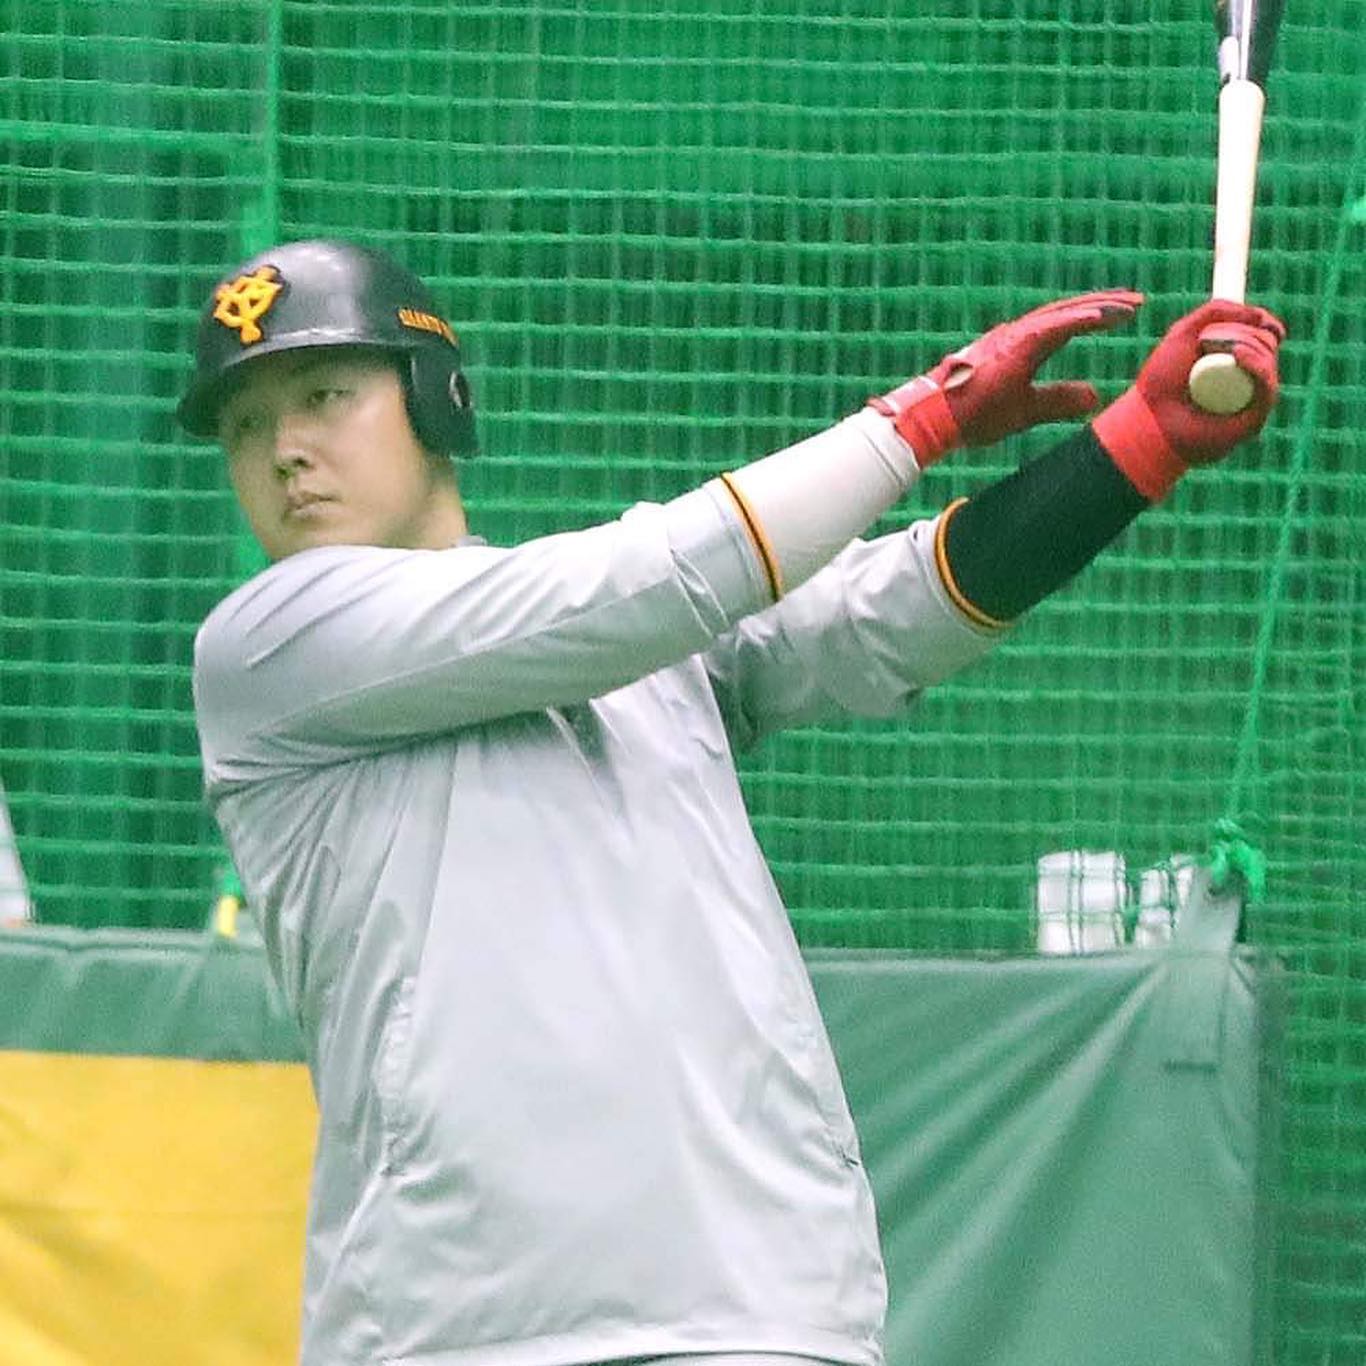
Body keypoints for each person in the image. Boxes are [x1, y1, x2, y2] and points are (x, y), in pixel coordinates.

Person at [178, 238, 1284, 1366]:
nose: (284, 449)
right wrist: (924, 416)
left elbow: (886, 610)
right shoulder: (267, 651)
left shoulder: (621, 629)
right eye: (244, 426)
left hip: (752, 1305)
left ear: (432, 397)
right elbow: (653, 582)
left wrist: (1138, 445)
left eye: (324, 396)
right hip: (458, 1329)